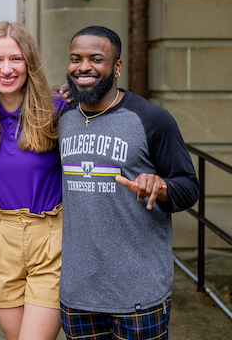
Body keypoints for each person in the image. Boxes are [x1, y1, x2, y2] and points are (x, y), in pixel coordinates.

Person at [58, 26, 200, 339]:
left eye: (96, 59)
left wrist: (161, 187)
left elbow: (189, 187)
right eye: (76, 59)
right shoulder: (63, 117)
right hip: (78, 292)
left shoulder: (151, 118)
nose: (83, 66)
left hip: (138, 293)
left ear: (117, 66)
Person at [0, 21, 66, 340]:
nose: (6, 69)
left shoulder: (57, 109)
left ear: (29, 62)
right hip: (1, 236)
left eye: (16, 59)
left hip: (50, 235)